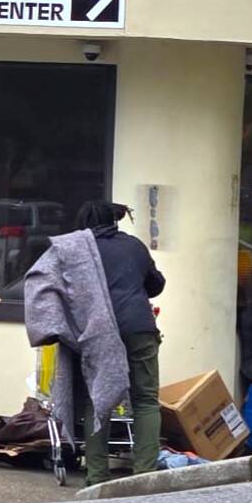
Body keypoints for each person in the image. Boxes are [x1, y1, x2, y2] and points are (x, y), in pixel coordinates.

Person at [75, 200, 165, 486]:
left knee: (98, 402)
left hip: (99, 332)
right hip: (139, 328)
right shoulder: (134, 246)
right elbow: (156, 284)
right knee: (146, 400)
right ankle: (144, 475)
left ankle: (97, 476)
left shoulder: (79, 250)